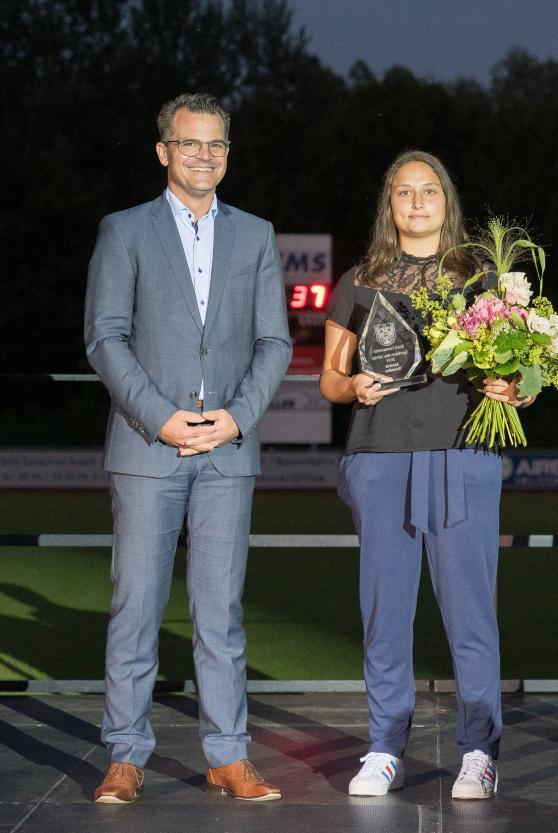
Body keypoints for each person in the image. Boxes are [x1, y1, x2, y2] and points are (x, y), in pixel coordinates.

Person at [84, 93, 291, 803]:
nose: (204, 155)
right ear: (164, 151)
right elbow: (104, 337)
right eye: (190, 143)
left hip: (229, 452)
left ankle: (228, 754)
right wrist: (160, 417)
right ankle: (125, 753)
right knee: (136, 607)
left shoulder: (257, 235)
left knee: (220, 613)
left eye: (216, 145)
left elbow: (274, 342)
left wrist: (236, 418)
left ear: (227, 154)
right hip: (148, 447)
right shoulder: (124, 230)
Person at [321, 150, 525, 801]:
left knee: (470, 614)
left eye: (428, 190)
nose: (416, 202)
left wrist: (515, 386)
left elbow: (526, 371)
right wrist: (351, 384)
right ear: (390, 204)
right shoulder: (359, 280)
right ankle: (384, 746)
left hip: (462, 456)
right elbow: (328, 377)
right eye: (404, 192)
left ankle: (478, 750)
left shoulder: (482, 276)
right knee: (384, 612)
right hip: (379, 458)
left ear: (446, 200)